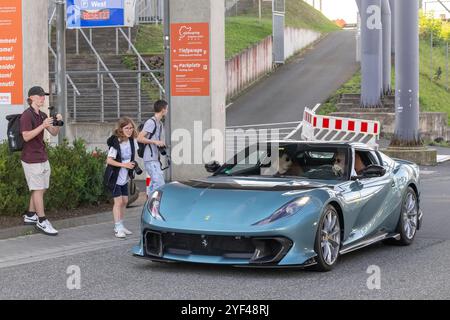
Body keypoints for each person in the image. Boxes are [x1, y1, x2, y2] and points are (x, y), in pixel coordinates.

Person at [20, 86, 62, 236]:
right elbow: (25, 136)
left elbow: (54, 133)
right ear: (31, 98)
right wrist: (42, 126)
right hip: (31, 158)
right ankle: (42, 221)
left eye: (43, 96)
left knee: (42, 188)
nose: (43, 98)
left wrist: (57, 122)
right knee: (37, 189)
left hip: (42, 156)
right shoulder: (26, 116)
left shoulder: (43, 115)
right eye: (40, 96)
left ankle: (31, 215)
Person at [105, 117, 139, 239]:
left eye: (131, 128)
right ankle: (118, 227)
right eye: (126, 128)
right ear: (120, 129)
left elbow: (131, 157)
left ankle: (120, 224)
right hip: (114, 176)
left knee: (125, 201)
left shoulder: (132, 141)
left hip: (124, 176)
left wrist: (132, 164)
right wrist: (124, 164)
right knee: (118, 202)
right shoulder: (115, 142)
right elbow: (109, 161)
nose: (129, 130)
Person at [137, 100, 168, 196]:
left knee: (154, 184)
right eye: (166, 109)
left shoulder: (160, 124)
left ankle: (149, 202)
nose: (167, 111)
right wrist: (155, 142)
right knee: (160, 184)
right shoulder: (151, 122)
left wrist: (161, 144)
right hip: (150, 159)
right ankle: (152, 203)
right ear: (163, 110)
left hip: (155, 158)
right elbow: (139, 138)